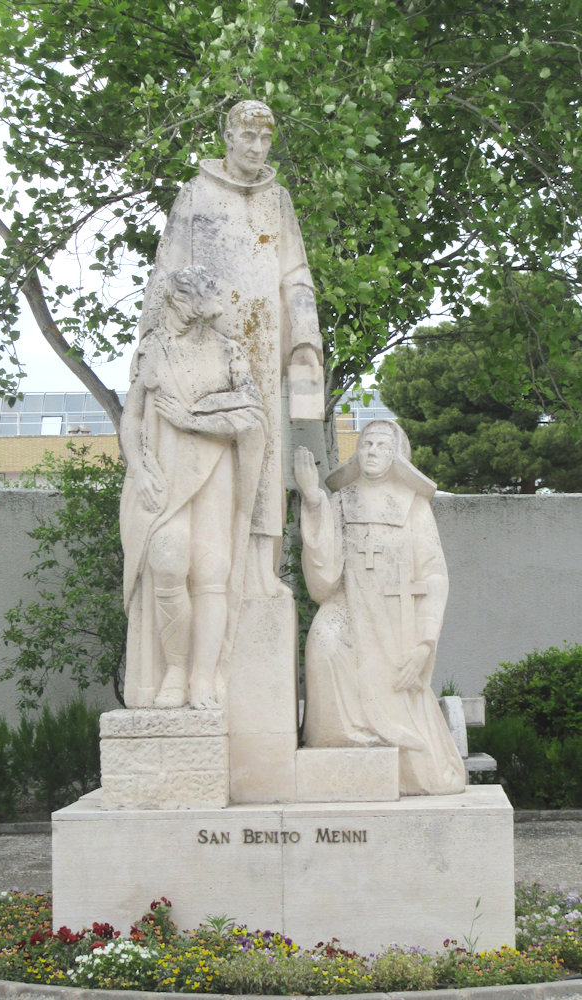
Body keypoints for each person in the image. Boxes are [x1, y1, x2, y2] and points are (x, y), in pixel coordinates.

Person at [138, 100, 324, 596]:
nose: (257, 149)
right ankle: (201, 561)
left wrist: (304, 335)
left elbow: (294, 272)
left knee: (260, 452)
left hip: (261, 341)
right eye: (248, 137)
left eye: (266, 140)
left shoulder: (277, 199)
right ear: (228, 135)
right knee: (199, 449)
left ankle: (259, 567)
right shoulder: (195, 194)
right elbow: (168, 270)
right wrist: (151, 341)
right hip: (203, 342)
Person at [120, 266, 266, 709]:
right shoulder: (154, 350)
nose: (175, 309)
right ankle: (176, 670)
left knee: (210, 571)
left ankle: (202, 676)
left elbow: (252, 417)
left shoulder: (229, 353)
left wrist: (191, 420)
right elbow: (132, 416)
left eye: (183, 301)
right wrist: (141, 469)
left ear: (198, 305)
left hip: (214, 473)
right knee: (166, 562)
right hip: (162, 473)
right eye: (175, 301)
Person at [294, 421, 465, 795]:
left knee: (432, 775)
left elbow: (434, 574)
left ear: (396, 455)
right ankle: (343, 740)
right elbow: (323, 583)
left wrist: (425, 642)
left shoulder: (413, 506)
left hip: (395, 624)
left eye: (381, 445)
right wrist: (312, 500)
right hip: (348, 608)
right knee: (323, 640)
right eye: (366, 443)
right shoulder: (340, 502)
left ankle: (403, 755)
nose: (371, 450)